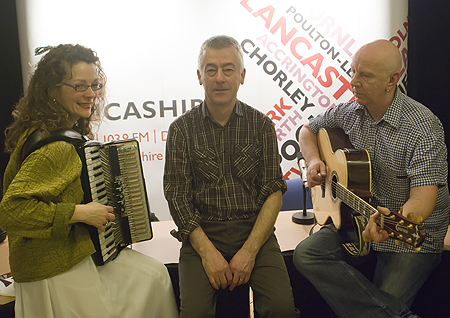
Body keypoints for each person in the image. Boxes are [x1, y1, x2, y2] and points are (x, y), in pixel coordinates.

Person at [0, 44, 179, 318]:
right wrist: (79, 212)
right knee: (153, 280)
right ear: (52, 90)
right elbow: (11, 212)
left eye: (94, 85)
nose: (91, 94)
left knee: (154, 277)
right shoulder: (56, 148)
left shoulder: (51, 131)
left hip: (68, 255)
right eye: (79, 86)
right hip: (52, 268)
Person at [293, 39, 449, 318]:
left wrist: (390, 225)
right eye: (352, 71)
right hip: (357, 217)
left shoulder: (423, 126)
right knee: (305, 254)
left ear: (393, 79)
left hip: (407, 233)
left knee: (377, 305)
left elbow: (423, 199)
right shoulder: (349, 113)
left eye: (364, 75)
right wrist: (314, 160)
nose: (353, 81)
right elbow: (307, 130)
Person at [163, 35, 299, 318]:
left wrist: (250, 251)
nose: (220, 78)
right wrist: (208, 253)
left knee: (281, 308)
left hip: (254, 230)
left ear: (242, 75)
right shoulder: (181, 130)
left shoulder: (261, 126)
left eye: (228, 69)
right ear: (200, 76)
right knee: (195, 313)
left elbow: (274, 191)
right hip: (202, 230)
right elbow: (177, 196)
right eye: (211, 69)